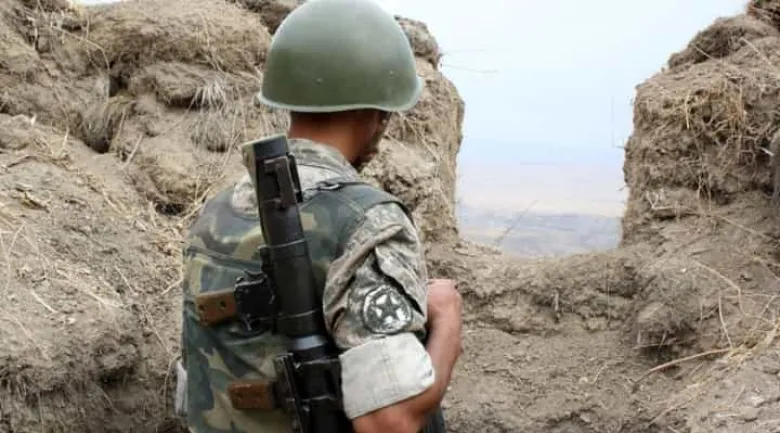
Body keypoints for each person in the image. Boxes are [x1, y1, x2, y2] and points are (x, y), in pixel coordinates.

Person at [176, 0, 463, 432]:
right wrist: (447, 321)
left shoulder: (216, 213)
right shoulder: (367, 223)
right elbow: (390, 421)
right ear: (377, 112)